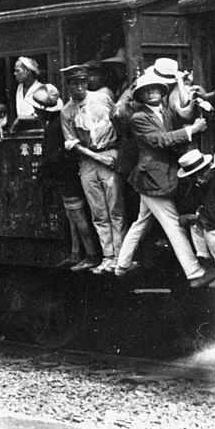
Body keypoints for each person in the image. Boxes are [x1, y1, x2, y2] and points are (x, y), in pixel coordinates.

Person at [113, 71, 215, 287]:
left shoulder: (165, 111)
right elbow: (160, 140)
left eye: (155, 89)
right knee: (172, 224)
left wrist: (195, 103)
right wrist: (191, 131)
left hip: (159, 176)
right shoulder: (138, 118)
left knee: (141, 223)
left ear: (162, 92)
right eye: (146, 90)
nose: (152, 92)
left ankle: (121, 266)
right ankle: (194, 273)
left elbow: (182, 115)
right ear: (140, 96)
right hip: (151, 178)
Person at [59, 65, 123, 274]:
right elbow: (72, 143)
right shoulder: (66, 111)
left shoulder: (102, 98)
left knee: (116, 210)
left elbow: (120, 120)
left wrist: (115, 154)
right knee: (99, 212)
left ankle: (121, 256)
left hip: (110, 154)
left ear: (87, 82)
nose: (79, 87)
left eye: (82, 82)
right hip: (89, 161)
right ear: (67, 86)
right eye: (74, 84)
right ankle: (107, 256)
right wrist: (97, 158)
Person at [31, 84, 99, 270]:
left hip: (66, 175)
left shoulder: (54, 128)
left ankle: (91, 255)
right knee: (72, 215)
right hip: (68, 174)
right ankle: (76, 253)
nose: (35, 112)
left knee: (77, 215)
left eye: (37, 109)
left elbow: (53, 158)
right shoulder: (57, 122)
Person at [175, 147, 215, 286]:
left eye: (201, 173)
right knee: (196, 226)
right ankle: (212, 267)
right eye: (193, 176)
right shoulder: (197, 186)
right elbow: (194, 206)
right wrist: (197, 216)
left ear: (208, 168)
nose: (198, 179)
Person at [0, 57, 43, 140]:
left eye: (18, 71)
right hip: (19, 136)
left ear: (28, 71)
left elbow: (41, 116)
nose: (15, 73)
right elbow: (11, 114)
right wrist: (0, 125)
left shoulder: (41, 89)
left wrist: (20, 119)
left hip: (36, 135)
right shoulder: (18, 89)